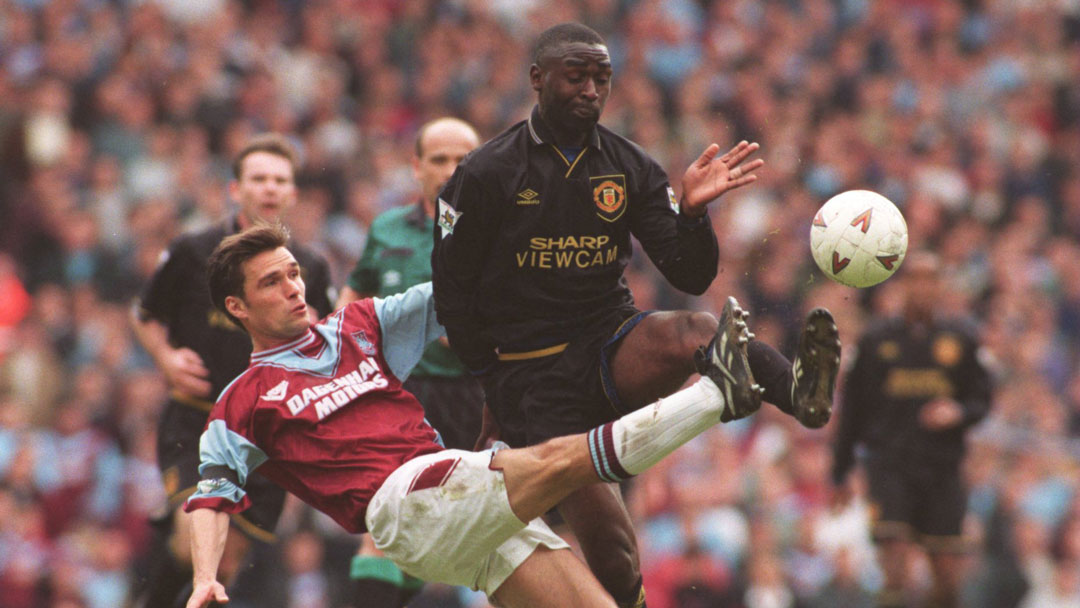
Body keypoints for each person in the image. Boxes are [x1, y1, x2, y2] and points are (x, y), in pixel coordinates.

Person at [430, 22, 842, 607]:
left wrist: (694, 215)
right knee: (615, 551)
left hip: (608, 344)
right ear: (538, 79)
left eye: (602, 77)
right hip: (534, 380)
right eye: (577, 76)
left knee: (696, 329)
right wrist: (492, 384)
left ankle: (796, 391)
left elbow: (690, 275)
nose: (592, 89)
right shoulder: (486, 173)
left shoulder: (628, 165)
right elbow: (453, 291)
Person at [184, 222, 790, 608]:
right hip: (403, 505)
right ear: (237, 306)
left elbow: (457, 292)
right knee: (562, 458)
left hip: (457, 510)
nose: (293, 286)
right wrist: (204, 578)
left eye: (293, 272)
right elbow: (211, 498)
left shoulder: (358, 325)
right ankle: (717, 396)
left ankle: (721, 393)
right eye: (272, 282)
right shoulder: (242, 399)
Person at [129, 134, 333, 607]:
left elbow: (319, 341)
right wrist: (165, 358)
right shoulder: (192, 250)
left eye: (280, 180)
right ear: (235, 189)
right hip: (196, 419)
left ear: (293, 193)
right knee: (193, 534)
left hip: (264, 434)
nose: (270, 188)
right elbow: (144, 315)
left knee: (227, 560)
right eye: (258, 178)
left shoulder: (312, 267)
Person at [336, 117, 483, 605]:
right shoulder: (388, 227)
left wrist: (472, 332)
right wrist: (338, 336)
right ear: (416, 166)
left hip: (477, 399)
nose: (449, 169)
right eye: (438, 159)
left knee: (453, 534)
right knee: (383, 520)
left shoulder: (506, 232)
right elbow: (358, 287)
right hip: (401, 395)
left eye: (462, 159)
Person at [831, 251, 994, 608]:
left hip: (942, 468)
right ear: (903, 286)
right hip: (890, 465)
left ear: (940, 287)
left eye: (931, 279)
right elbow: (853, 412)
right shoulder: (876, 341)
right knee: (895, 562)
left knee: (947, 576)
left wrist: (959, 412)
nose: (923, 288)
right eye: (916, 279)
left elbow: (983, 399)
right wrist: (840, 471)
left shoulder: (962, 339)